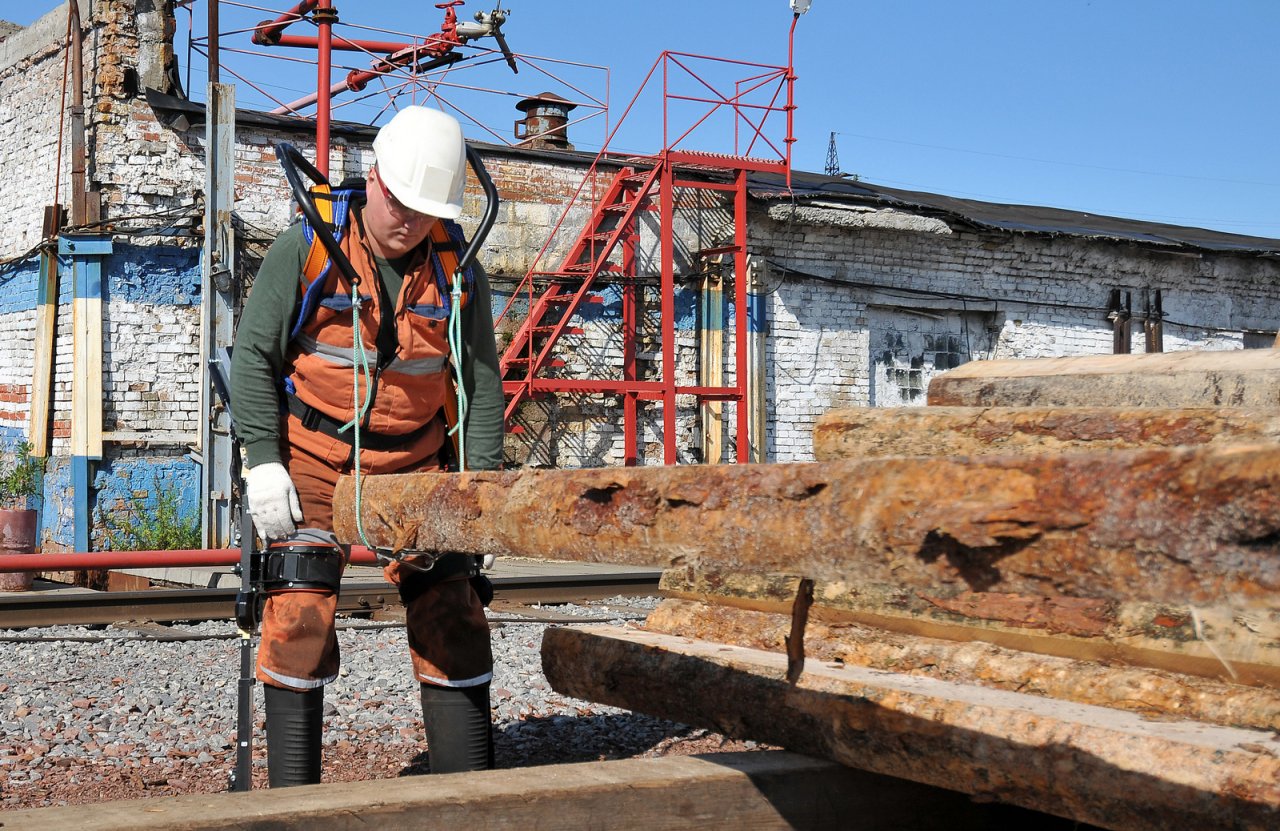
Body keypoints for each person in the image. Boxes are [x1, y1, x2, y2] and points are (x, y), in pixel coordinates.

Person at [230, 105, 505, 787]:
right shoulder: (307, 248)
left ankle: (468, 796)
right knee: (298, 611)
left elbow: (478, 383)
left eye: (424, 209)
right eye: (400, 202)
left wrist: (482, 489)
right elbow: (252, 358)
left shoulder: (456, 267)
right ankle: (296, 802)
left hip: (415, 462)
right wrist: (263, 460)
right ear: (375, 176)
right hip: (314, 458)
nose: (410, 221)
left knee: (453, 608)